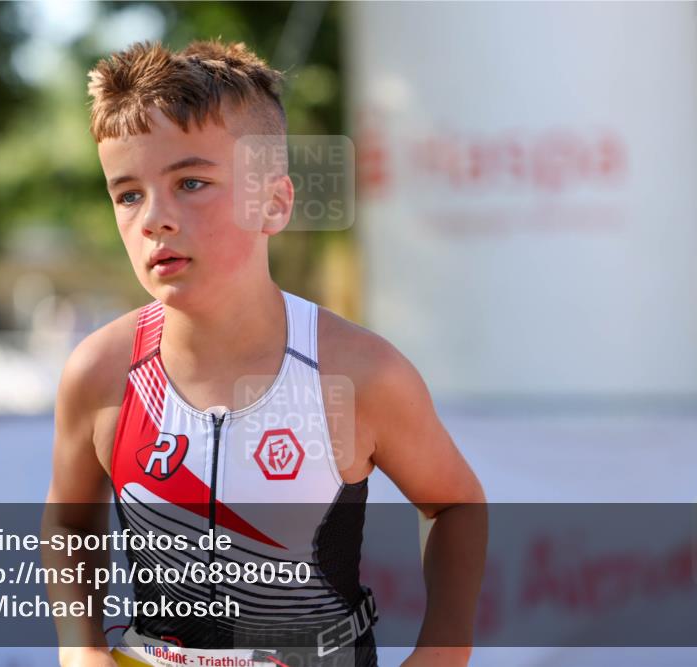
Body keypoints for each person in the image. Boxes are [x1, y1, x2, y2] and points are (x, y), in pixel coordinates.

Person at [43, 40, 486, 667]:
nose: (154, 219)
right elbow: (67, 523)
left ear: (273, 203)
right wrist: (80, 648)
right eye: (128, 194)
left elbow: (457, 505)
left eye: (191, 182)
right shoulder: (100, 373)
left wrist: (443, 654)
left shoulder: (358, 372)